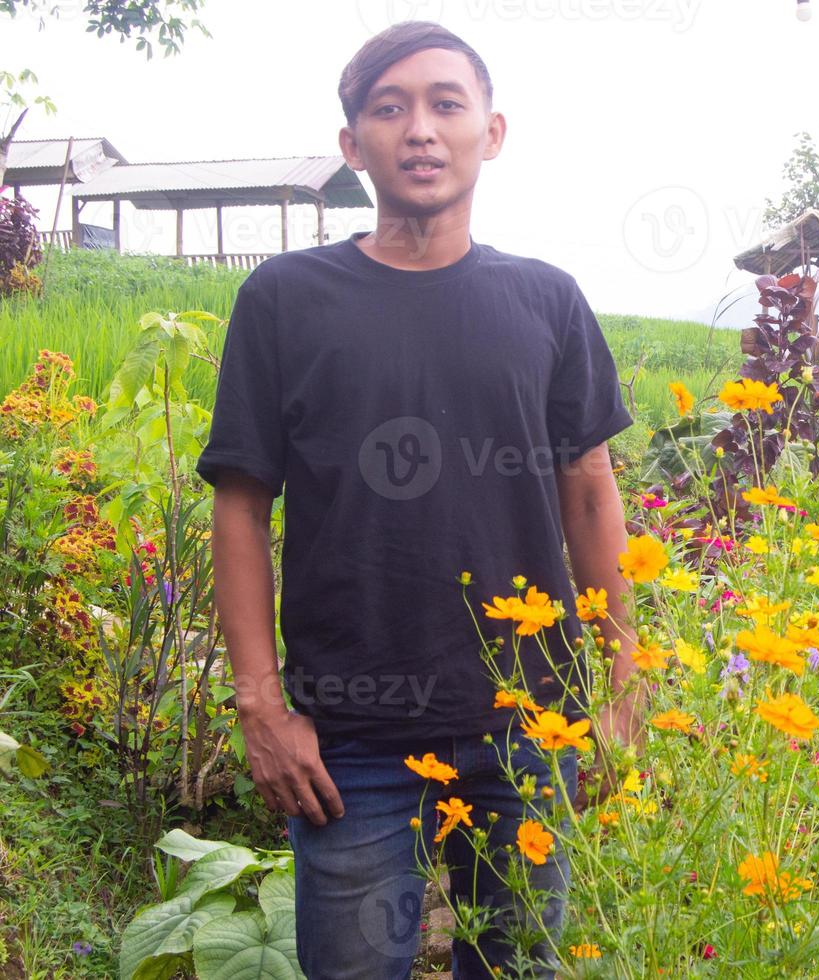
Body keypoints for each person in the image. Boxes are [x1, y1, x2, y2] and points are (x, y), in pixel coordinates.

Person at [196, 22, 640, 979]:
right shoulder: (285, 299)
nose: (421, 130)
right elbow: (241, 504)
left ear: (494, 131)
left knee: (518, 969)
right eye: (389, 109)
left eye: (447, 104)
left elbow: (591, 490)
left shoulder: (547, 302)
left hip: (531, 722)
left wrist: (624, 679)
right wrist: (261, 706)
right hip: (349, 740)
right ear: (353, 147)